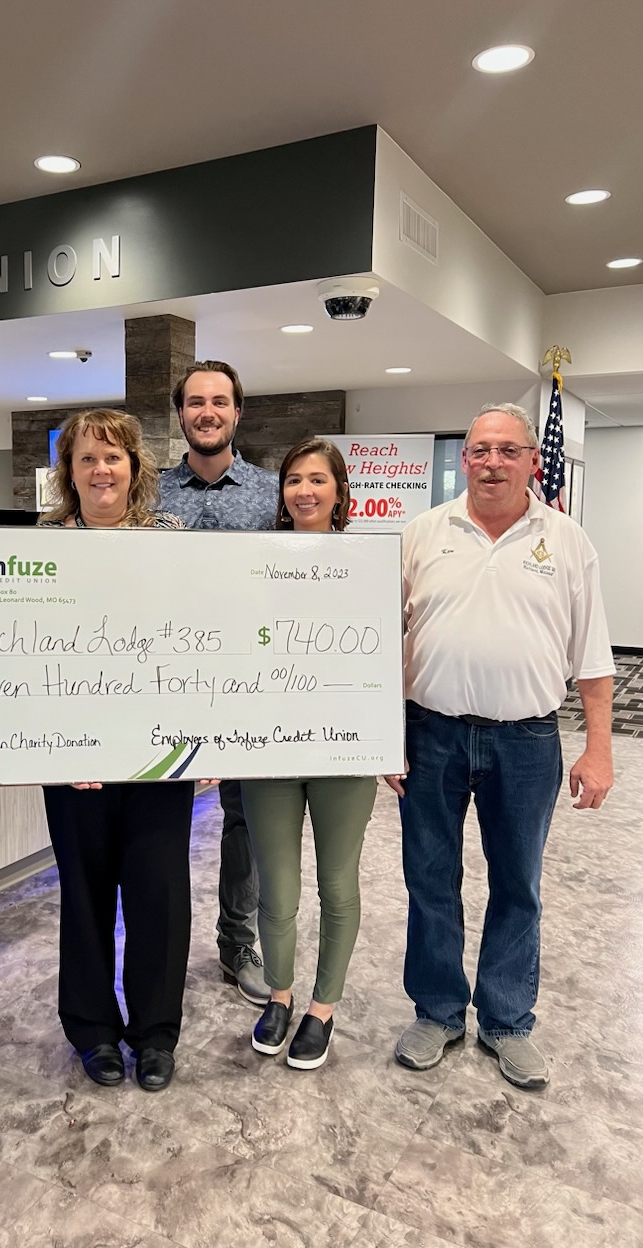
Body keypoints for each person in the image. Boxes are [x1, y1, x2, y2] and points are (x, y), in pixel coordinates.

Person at [386, 402, 614, 1090]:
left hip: (527, 741)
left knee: (518, 884)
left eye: (508, 451)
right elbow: (378, 640)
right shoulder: (423, 533)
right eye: (481, 450)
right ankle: (437, 1010)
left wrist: (599, 748)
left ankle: (508, 1019)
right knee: (431, 880)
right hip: (431, 735)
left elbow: (594, 656)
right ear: (464, 459)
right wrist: (383, 733)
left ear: (532, 461)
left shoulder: (568, 541)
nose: (492, 462)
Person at [40, 407, 195, 1093]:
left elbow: (197, 638)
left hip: (158, 755)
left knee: (161, 896)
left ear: (135, 467)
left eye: (113, 457)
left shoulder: (172, 536)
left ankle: (156, 1035)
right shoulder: (43, 543)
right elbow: (28, 660)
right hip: (75, 761)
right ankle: (93, 1031)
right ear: (67, 473)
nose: (101, 470)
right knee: (84, 895)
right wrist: (61, 747)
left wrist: (202, 738)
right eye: (86, 459)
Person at [241, 439, 378, 1069]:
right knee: (277, 887)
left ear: (339, 491)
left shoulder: (368, 563)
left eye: (317, 479)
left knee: (338, 884)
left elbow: (385, 658)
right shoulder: (253, 564)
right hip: (269, 748)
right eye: (293, 480)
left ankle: (322, 1010)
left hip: (344, 750)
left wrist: (388, 740)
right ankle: (279, 996)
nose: (303, 491)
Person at [158, 359, 277, 1006]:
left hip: (245, 684)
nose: (207, 412)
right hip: (164, 683)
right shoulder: (149, 494)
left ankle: (238, 944)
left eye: (219, 402)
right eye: (195, 402)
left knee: (245, 821)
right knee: (161, 825)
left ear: (237, 413)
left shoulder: (270, 492)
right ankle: (161, 949)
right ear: (181, 414)